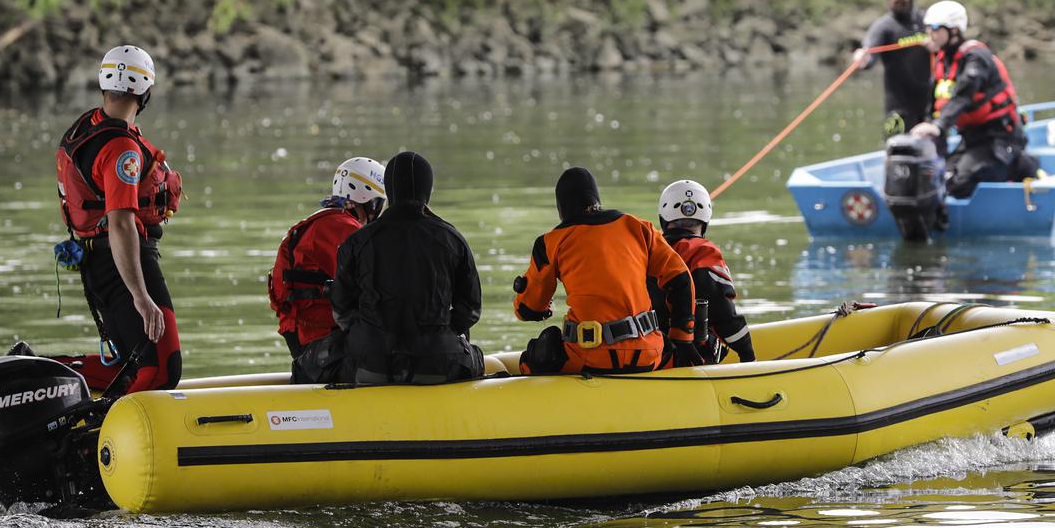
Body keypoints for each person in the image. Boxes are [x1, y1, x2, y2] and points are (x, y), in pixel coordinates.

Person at [53, 45, 182, 394]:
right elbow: (122, 222)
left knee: (131, 365)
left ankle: (53, 376)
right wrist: (141, 296)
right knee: (162, 369)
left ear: (103, 85)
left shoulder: (85, 127)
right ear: (146, 92)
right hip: (124, 261)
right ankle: (113, 433)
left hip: (96, 261)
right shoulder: (122, 149)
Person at [295, 151, 485, 386]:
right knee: (476, 355)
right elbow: (471, 309)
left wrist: (366, 336)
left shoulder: (357, 242)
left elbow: (342, 310)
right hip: (438, 363)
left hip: (370, 364)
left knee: (303, 366)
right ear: (428, 190)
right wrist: (443, 333)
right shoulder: (453, 239)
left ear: (389, 190)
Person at [514, 167, 694, 374]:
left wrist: (535, 308)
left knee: (531, 359)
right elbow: (681, 278)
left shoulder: (551, 242)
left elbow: (528, 309)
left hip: (589, 358)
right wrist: (683, 340)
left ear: (561, 207)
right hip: (648, 355)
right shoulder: (639, 228)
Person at [909, 1, 1037, 200]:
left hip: (1000, 138)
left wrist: (939, 126)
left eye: (934, 28)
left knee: (960, 184)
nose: (929, 33)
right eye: (927, 28)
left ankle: (1020, 165)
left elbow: (964, 95)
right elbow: (934, 106)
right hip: (971, 139)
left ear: (953, 30)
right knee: (939, 178)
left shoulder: (976, 58)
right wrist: (931, 134)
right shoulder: (943, 60)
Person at [267, 157, 385, 363]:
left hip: (302, 334)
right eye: (377, 204)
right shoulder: (346, 229)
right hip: (322, 337)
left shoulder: (318, 222)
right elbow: (374, 286)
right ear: (369, 200)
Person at [650, 179, 756, 365]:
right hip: (683, 358)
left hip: (645, 352)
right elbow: (723, 313)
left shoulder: (646, 250)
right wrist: (747, 354)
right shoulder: (702, 253)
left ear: (663, 219)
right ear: (705, 220)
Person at [852, 0, 930, 136]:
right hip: (898, 113)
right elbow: (869, 54)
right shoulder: (883, 27)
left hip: (930, 110)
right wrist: (862, 59)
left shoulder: (928, 22)